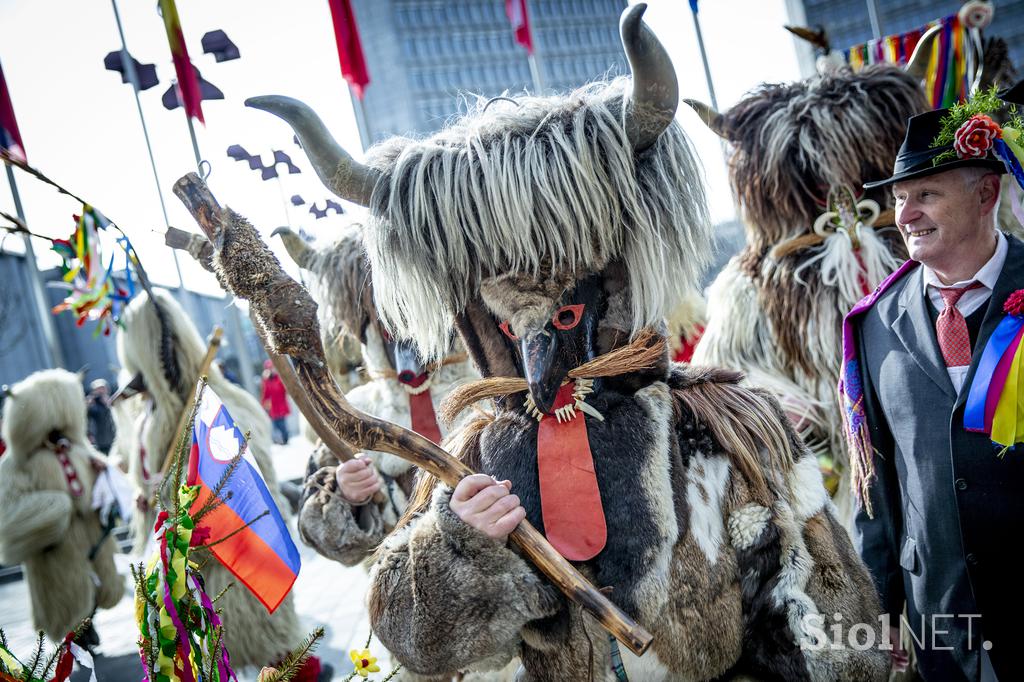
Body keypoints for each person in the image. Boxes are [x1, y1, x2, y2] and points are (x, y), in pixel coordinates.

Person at [250, 5, 890, 680]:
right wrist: (466, 543)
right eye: (509, 312)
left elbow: (820, 618)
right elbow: (421, 643)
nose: (537, 343)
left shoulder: (726, 432)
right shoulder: (470, 462)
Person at [843, 98, 1024, 681]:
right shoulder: (870, 324)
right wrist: (879, 607)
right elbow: (876, 482)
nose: (906, 214)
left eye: (926, 195)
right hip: (941, 622)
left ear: (986, 195)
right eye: (899, 199)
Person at [0, 369, 120, 649]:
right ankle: (78, 634)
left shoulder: (78, 450)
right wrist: (49, 511)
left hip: (88, 534)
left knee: (91, 586)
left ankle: (87, 624)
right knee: (64, 594)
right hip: (55, 544)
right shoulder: (17, 464)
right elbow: (9, 506)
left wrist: (104, 474)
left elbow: (100, 480)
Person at [260, 359, 291, 445]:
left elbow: (284, 390)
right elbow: (265, 394)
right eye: (268, 368)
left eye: (271, 368)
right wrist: (263, 404)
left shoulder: (279, 378)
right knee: (275, 425)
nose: (270, 370)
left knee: (282, 424)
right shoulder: (266, 381)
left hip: (281, 405)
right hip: (272, 407)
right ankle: (278, 440)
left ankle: (285, 439)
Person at [86, 377, 116, 454]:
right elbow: (87, 420)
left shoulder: (112, 401)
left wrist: (108, 404)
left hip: (113, 438)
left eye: (102, 388)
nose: (101, 391)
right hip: (99, 440)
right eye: (98, 389)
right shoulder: (92, 404)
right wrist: (87, 406)